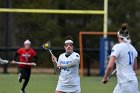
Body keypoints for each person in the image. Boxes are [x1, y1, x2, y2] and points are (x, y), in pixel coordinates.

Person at [102, 23, 139, 93]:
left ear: (119, 37)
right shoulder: (133, 48)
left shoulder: (117, 47)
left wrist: (105, 77)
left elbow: (110, 66)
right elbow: (134, 67)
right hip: (132, 82)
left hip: (125, 83)